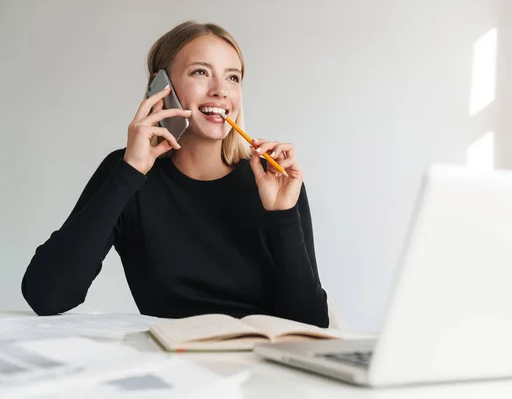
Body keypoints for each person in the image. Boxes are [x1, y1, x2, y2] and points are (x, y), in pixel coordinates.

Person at [21, 21, 329, 327]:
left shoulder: (274, 180)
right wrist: (129, 172)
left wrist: (283, 214)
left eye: (232, 78)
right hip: (172, 362)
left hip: (259, 365)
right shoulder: (127, 172)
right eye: (200, 72)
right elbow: (47, 296)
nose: (221, 90)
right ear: (162, 86)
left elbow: (312, 324)